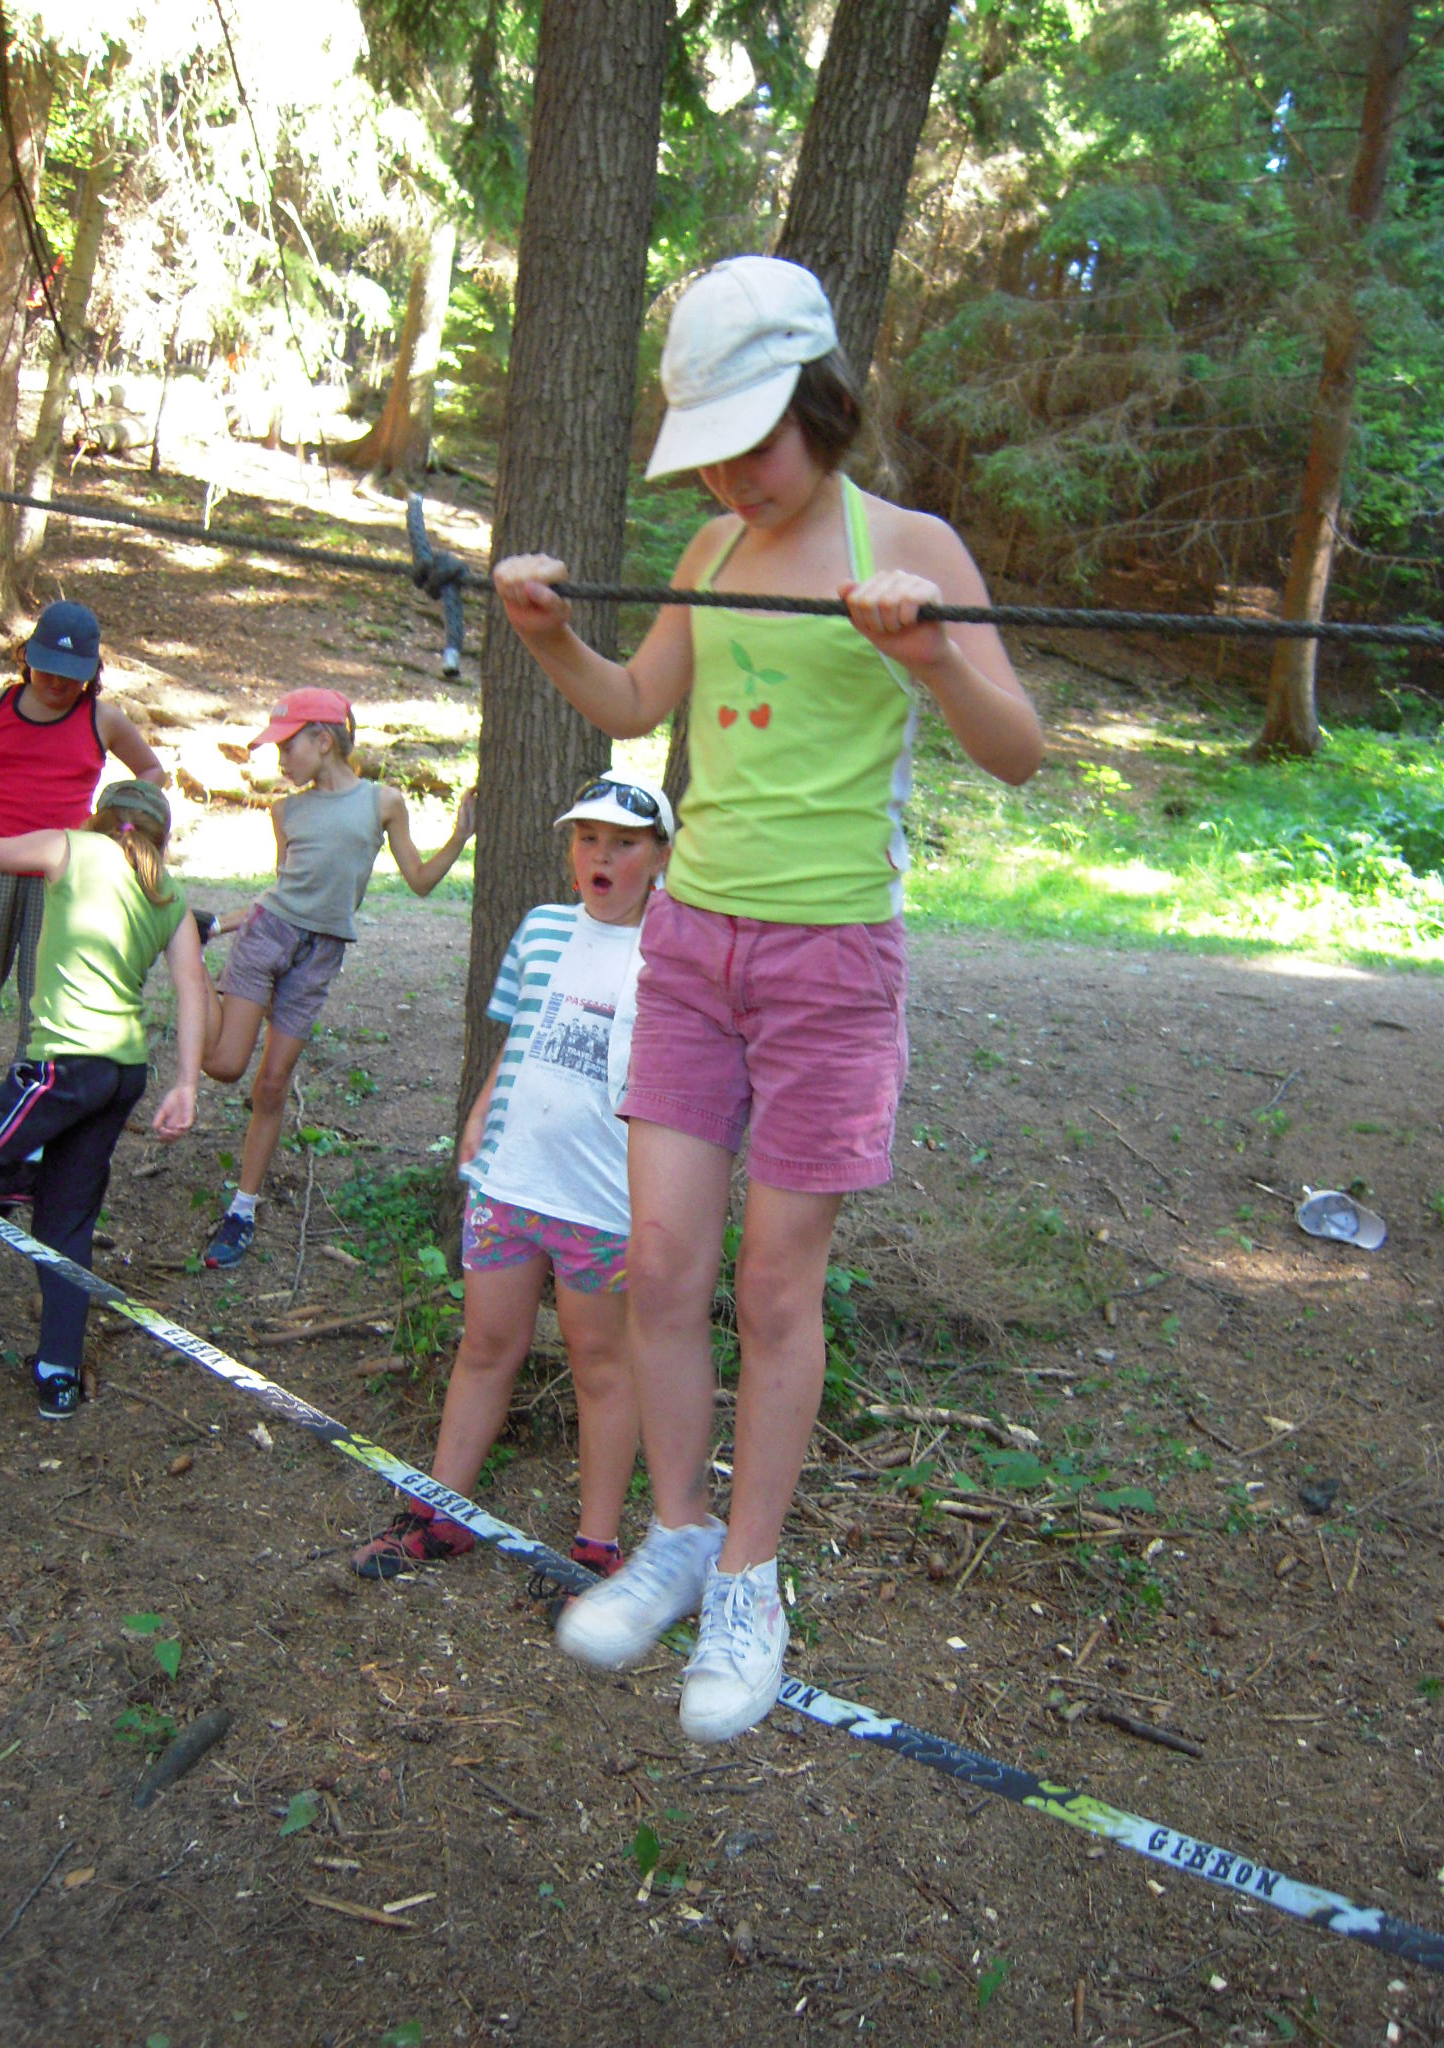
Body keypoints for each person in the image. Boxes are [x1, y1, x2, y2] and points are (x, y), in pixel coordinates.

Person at [492, 255, 1044, 1742]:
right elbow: (636, 704)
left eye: (754, 443)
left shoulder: (908, 545)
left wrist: (932, 654)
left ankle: (750, 1580)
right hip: (690, 949)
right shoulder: (710, 549)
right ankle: (678, 1536)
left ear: (821, 402)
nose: (733, 477)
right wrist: (548, 635)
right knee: (663, 1264)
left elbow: (1017, 750)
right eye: (710, 453)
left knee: (775, 1289)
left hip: (830, 964)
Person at [350, 773, 674, 1582]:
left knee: (601, 1365)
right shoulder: (540, 929)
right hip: (510, 1185)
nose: (601, 857)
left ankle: (595, 1551)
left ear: (661, 857)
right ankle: (443, 1513)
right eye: (588, 839)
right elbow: (520, 1036)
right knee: (486, 1346)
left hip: (603, 1202)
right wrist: (479, 1114)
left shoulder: (673, 952)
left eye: (624, 844)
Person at [199, 687, 475, 1268]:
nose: (280, 760)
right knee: (224, 1066)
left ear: (324, 740)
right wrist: (224, 927)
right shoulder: (286, 810)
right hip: (267, 938)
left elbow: (420, 881)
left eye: (287, 747)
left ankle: (242, 1210)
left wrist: (460, 835)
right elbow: (285, 891)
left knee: (272, 1085)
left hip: (321, 955)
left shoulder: (384, 803)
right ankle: (192, 968)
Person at [0, 781, 206, 1417]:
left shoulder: (68, 847)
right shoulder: (168, 893)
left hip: (65, 1067)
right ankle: (59, 1374)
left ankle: (8, 1176)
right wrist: (187, 1083)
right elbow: (193, 990)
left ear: (99, 818)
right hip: (121, 1075)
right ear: (160, 838)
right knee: (65, 1224)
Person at [0, 600, 167, 1092]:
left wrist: (121, 823)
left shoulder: (103, 719)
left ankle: (33, 1087)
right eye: (48, 669)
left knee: (47, 988)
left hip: (61, 874)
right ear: (27, 657)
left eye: (70, 675)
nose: (57, 683)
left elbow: (150, 770)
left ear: (91, 674)